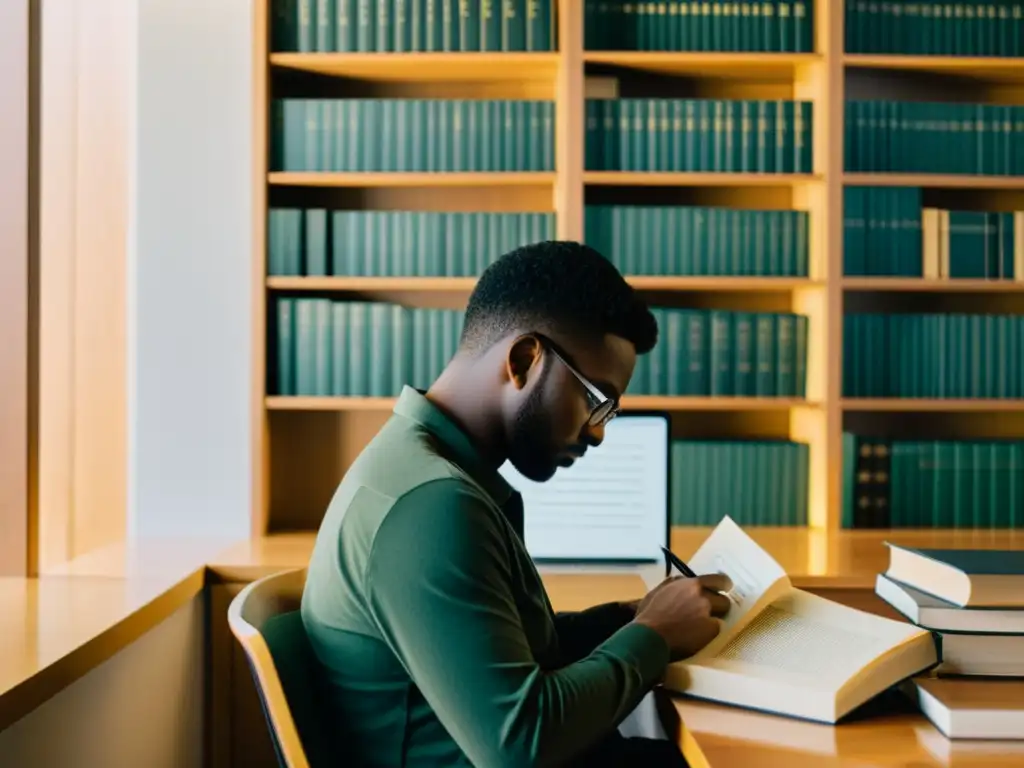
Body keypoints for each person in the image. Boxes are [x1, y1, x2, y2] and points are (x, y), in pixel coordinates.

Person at [301, 240, 733, 767]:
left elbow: (511, 654)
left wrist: (629, 618)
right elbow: (518, 747)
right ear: (525, 360)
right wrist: (653, 636)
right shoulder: (431, 506)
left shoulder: (427, 471)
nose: (597, 435)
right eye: (595, 401)